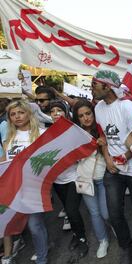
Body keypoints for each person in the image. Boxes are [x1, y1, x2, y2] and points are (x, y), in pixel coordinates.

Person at [91, 70, 132, 264]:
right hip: (114, 169)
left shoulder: (126, 106)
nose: (91, 88)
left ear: (107, 86)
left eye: (94, 84)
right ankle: (126, 246)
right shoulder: (98, 108)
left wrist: (125, 156)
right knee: (113, 212)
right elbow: (103, 138)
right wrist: (109, 159)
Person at [0, 100, 45, 264]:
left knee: (34, 226)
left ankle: (42, 258)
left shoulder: (41, 133)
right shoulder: (9, 137)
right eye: (13, 114)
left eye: (20, 112)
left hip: (33, 188)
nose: (17, 116)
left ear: (28, 113)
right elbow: (4, 162)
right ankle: (10, 253)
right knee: (10, 222)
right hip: (13, 189)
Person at [49, 100, 89, 259]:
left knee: (72, 211)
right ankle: (75, 233)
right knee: (68, 210)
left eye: (59, 110)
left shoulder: (75, 131)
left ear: (66, 113)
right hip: (57, 181)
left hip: (73, 177)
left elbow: (83, 152)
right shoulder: (45, 133)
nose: (56, 114)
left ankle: (82, 239)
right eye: (52, 111)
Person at [72, 99, 110, 258]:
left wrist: (104, 144)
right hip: (85, 180)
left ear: (94, 113)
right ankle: (103, 240)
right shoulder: (74, 135)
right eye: (81, 116)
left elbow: (114, 152)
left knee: (106, 213)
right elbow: (69, 159)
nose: (86, 118)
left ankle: (112, 227)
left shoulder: (103, 130)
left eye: (88, 113)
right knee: (94, 213)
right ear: (77, 118)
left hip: (102, 179)